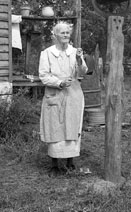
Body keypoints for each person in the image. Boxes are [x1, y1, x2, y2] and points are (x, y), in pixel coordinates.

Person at [39, 22, 88, 176]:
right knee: (55, 128)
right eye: (62, 33)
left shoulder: (75, 52)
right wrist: (59, 83)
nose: (66, 35)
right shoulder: (46, 53)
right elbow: (44, 75)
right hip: (55, 95)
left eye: (67, 33)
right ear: (55, 35)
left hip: (73, 94)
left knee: (72, 127)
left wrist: (80, 60)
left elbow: (83, 71)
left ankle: (70, 162)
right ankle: (54, 165)